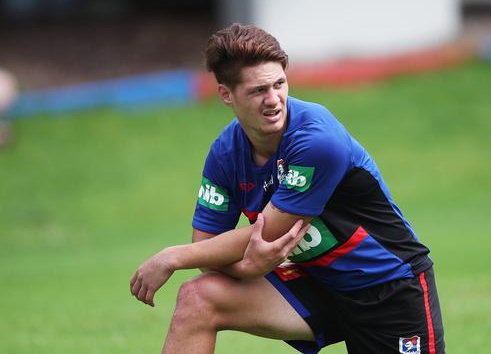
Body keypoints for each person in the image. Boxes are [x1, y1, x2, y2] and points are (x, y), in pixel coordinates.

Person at [130, 23, 445, 354]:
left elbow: (266, 233)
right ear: (226, 94)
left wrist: (172, 257)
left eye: (279, 84)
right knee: (197, 298)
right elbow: (205, 248)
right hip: (315, 287)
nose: (273, 100)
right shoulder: (225, 155)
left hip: (386, 287)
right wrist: (246, 268)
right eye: (257, 91)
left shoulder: (317, 140)